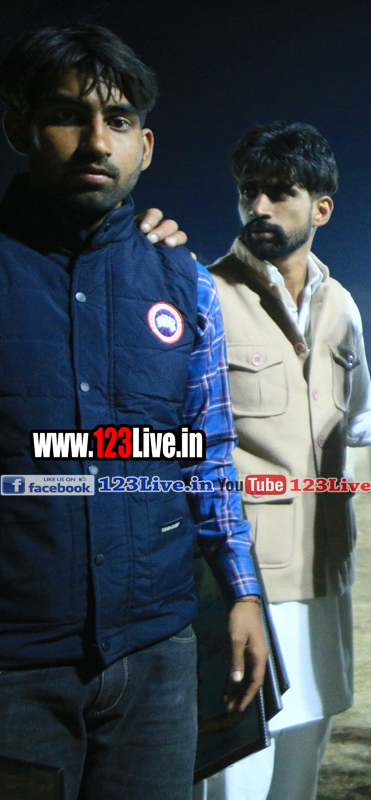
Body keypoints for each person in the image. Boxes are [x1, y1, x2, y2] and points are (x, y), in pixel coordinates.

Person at [0, 24, 266, 800]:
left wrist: (243, 591)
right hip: (15, 672)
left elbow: (208, 453)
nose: (95, 141)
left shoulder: (185, 283)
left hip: (157, 658)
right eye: (66, 115)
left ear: (144, 147)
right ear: (18, 128)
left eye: (117, 121)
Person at [194, 122, 371, 800]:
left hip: (325, 574)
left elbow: (357, 417)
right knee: (234, 778)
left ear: (321, 208)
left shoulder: (341, 304)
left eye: (279, 193)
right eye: (249, 192)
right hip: (244, 583)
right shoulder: (204, 295)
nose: (259, 207)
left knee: (299, 774)